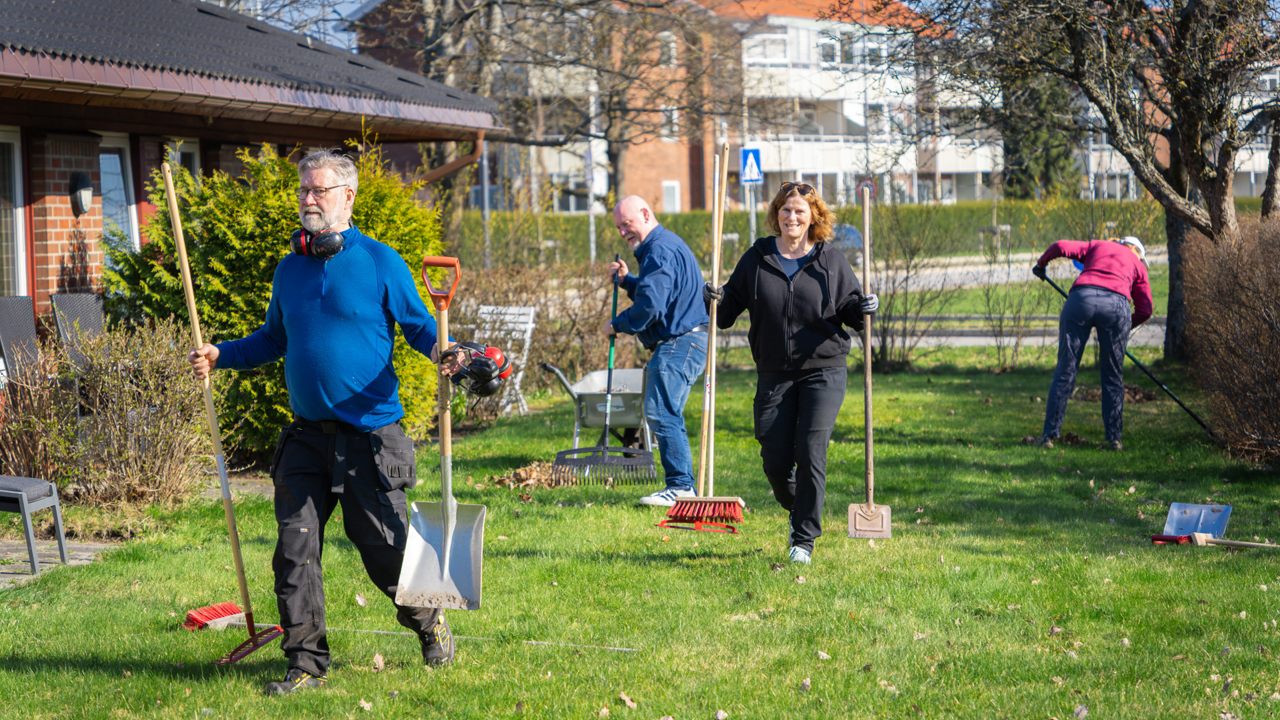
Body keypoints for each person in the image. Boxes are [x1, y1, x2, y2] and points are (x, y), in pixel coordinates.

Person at [187, 149, 468, 696]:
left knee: (387, 554)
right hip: (306, 438)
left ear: (348, 196)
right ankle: (306, 666)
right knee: (295, 552)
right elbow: (274, 338)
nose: (308, 200)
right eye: (303, 191)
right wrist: (223, 354)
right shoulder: (289, 269)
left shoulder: (381, 262)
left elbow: (419, 326)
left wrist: (447, 351)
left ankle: (429, 621)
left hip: (371, 436)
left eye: (318, 190)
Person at [704, 182, 877, 564]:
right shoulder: (758, 257)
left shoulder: (829, 259)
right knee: (775, 458)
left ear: (814, 216)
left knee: (811, 451)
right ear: (776, 214)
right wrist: (714, 298)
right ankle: (800, 507)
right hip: (774, 371)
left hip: (823, 368)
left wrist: (865, 306)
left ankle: (803, 539)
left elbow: (851, 310)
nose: (792, 217)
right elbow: (728, 311)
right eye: (785, 210)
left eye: (800, 211)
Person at [606, 195, 709, 506]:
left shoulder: (659, 249)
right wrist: (627, 281)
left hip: (680, 341)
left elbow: (651, 306)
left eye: (628, 223)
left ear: (646, 214)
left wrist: (618, 324)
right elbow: (659, 292)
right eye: (619, 227)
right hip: (688, 339)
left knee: (661, 410)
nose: (624, 231)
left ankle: (680, 487)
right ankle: (681, 485)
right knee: (666, 411)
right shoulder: (662, 246)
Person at [1032, 236, 1153, 451]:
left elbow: (1060, 246)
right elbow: (1145, 309)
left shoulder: (1098, 245)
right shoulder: (1137, 264)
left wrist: (1041, 264)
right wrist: (1124, 327)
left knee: (1065, 370)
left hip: (1081, 300)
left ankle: (1049, 435)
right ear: (1136, 250)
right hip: (1116, 308)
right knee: (1112, 376)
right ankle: (1114, 440)